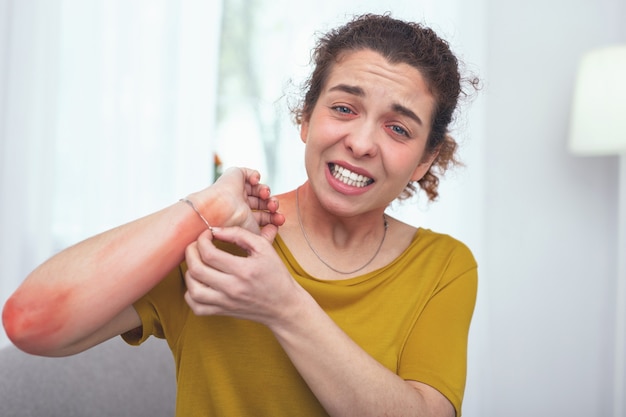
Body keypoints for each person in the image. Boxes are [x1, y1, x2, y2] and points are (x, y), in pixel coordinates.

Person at [3, 13, 479, 417]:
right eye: (343, 108)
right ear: (306, 118)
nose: (360, 142)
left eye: (398, 128)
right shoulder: (217, 241)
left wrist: (282, 305)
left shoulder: (444, 266)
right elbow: (30, 323)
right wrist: (203, 209)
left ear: (424, 160)